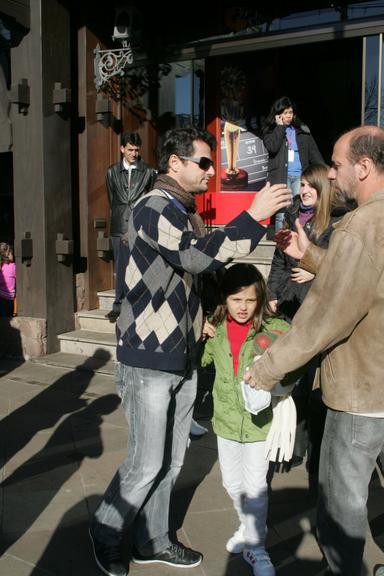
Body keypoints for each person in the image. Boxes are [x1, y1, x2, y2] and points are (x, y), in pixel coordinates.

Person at [89, 126, 292, 576]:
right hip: (147, 355)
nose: (211, 170)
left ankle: (153, 538)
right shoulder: (153, 207)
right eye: (203, 162)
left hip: (181, 353)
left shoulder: (184, 213)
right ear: (174, 163)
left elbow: (200, 274)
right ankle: (106, 529)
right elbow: (195, 257)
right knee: (145, 461)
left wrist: (252, 295)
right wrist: (254, 216)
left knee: (174, 457)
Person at [244, 125, 384, 576]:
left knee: (342, 507)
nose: (334, 174)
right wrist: (310, 255)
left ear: (363, 167)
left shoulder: (360, 225)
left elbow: (326, 318)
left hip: (361, 394)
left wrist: (265, 370)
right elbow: (366, 284)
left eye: (339, 165)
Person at [200, 263, 293, 576]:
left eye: (250, 300)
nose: (242, 307)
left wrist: (278, 344)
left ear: (260, 299)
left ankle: (256, 548)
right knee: (231, 483)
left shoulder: (272, 328)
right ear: (225, 299)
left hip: (258, 424)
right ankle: (246, 527)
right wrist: (200, 335)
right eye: (236, 299)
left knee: (255, 486)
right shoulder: (217, 328)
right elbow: (201, 360)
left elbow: (294, 354)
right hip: (225, 420)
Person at [267, 163, 356, 474]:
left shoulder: (338, 222)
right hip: (290, 308)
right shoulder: (291, 216)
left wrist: (314, 266)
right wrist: (272, 294)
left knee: (312, 387)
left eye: (310, 186)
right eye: (301, 185)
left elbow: (343, 271)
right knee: (290, 383)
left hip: (317, 313)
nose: (303, 191)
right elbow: (279, 261)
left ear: (324, 190)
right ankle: (289, 447)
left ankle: (310, 450)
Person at [105, 131, 156, 322]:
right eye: (130, 150)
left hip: (139, 225)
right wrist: (122, 218)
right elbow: (113, 200)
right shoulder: (111, 172)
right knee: (121, 267)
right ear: (122, 149)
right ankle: (118, 306)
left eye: (136, 150)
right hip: (119, 225)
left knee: (141, 265)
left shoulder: (149, 172)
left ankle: (141, 304)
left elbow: (150, 198)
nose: (133, 154)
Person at [262, 96, 323, 231]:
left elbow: (315, 155)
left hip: (300, 177)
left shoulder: (302, 131)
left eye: (290, 112)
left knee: (299, 210)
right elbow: (272, 147)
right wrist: (280, 127)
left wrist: (325, 171)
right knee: (281, 213)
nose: (289, 116)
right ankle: (281, 247)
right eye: (285, 113)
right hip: (281, 177)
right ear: (278, 115)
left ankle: (297, 240)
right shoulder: (270, 130)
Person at [0, 242, 16, 317]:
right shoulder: (13, 267)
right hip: (8, 299)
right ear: (7, 254)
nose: (13, 255)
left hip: (1, 297)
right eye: (11, 253)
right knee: (8, 318)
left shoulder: (1, 267)